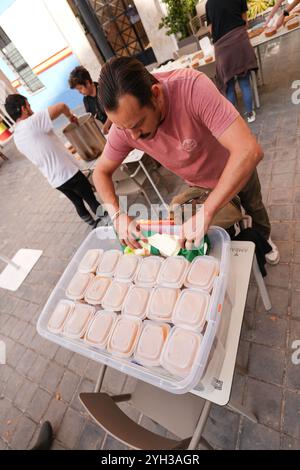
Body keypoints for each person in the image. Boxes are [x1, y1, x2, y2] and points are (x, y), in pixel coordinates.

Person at [92, 56, 279, 264]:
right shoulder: (126, 128)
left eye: (138, 124)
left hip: (237, 167)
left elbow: (249, 150)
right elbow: (100, 172)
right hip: (199, 184)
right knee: (197, 225)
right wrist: (117, 215)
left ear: (155, 95)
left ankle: (264, 237)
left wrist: (206, 212)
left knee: (254, 205)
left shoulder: (191, 88)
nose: (133, 136)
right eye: (124, 128)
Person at [5, 94, 105, 227]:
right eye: (28, 105)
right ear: (23, 109)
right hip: (69, 172)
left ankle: (94, 225)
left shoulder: (17, 137)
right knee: (92, 200)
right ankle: (110, 222)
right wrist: (70, 116)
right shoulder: (32, 122)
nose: (31, 108)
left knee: (78, 203)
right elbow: (62, 106)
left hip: (55, 180)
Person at [205, 0, 257, 124]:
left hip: (222, 48)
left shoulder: (209, 4)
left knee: (228, 87)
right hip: (239, 41)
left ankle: (233, 120)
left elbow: (211, 29)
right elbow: (245, 20)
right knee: (244, 83)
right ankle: (250, 114)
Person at [69, 66, 112, 135]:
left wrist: (106, 126)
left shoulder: (103, 89)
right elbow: (92, 118)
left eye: (80, 88)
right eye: (78, 90)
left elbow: (114, 110)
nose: (80, 92)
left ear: (87, 83)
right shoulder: (86, 100)